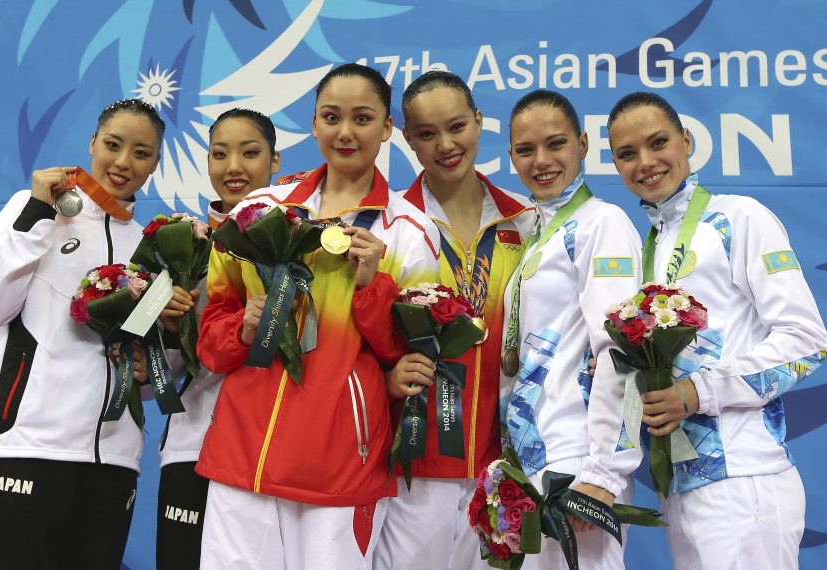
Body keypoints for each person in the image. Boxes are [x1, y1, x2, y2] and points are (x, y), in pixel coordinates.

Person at [194, 63, 440, 569]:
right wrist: (241, 329)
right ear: (312, 122)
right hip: (247, 452)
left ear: (387, 127)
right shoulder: (259, 210)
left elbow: (414, 353)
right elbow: (211, 335)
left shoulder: (409, 230)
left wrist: (373, 286)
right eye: (331, 116)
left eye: (362, 118)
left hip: (340, 460)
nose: (345, 132)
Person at [606, 91, 827, 570]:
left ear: (686, 140)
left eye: (658, 142)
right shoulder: (648, 246)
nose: (645, 163)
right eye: (627, 154)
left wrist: (697, 392)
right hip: (682, 486)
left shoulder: (739, 217)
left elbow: (806, 342)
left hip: (744, 475)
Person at [0, 98, 164, 570]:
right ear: (92, 142)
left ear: (155, 163)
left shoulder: (153, 244)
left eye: (140, 153)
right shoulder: (32, 208)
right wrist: (40, 212)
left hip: (115, 460)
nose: (122, 163)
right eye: (113, 145)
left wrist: (147, 372)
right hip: (31, 443)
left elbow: (157, 364)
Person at [373, 70, 534, 570]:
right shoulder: (391, 222)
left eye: (457, 126)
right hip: (415, 461)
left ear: (480, 122)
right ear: (407, 140)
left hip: (502, 462)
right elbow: (364, 329)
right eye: (426, 133)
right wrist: (386, 375)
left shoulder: (526, 222)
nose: (445, 144)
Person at [501, 90, 642, 570]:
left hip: (578, 462)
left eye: (556, 144)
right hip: (531, 458)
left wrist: (604, 473)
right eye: (525, 150)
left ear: (582, 143)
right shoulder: (533, 231)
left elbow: (621, 351)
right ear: (511, 156)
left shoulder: (603, 223)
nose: (541, 161)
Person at [155, 108, 281, 570]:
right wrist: (170, 332)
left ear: (275, 161)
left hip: (274, 447)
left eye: (250, 153)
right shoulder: (179, 245)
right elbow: (155, 383)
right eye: (220, 153)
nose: (234, 167)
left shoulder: (303, 241)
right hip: (194, 444)